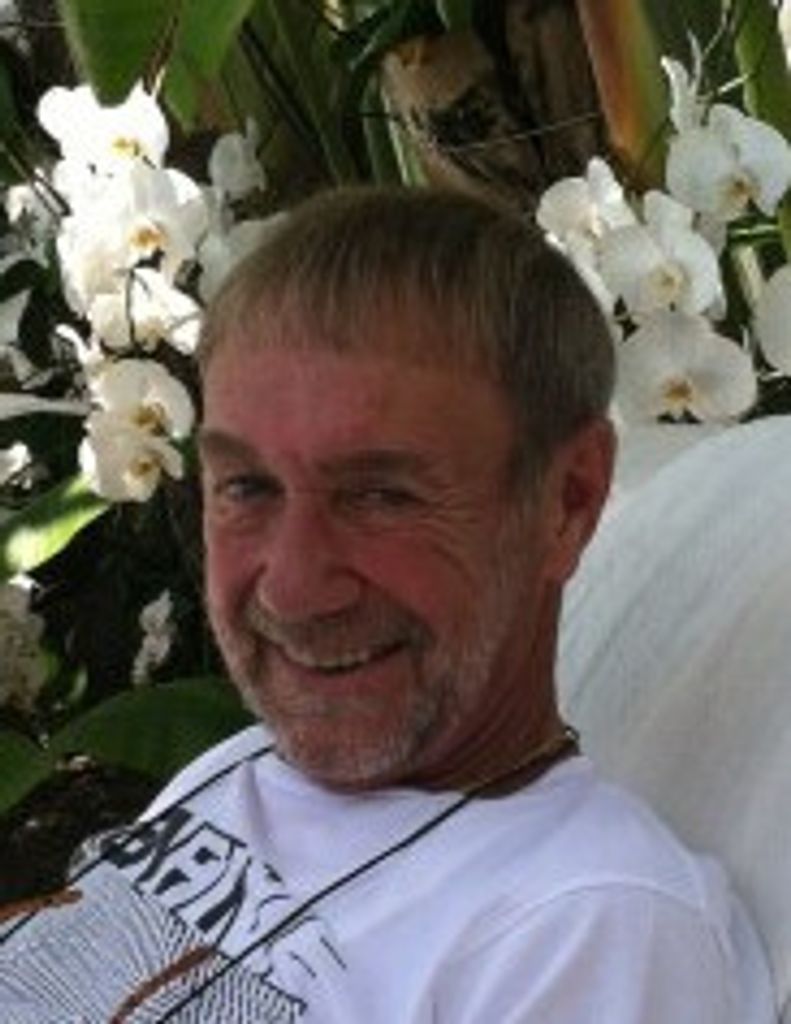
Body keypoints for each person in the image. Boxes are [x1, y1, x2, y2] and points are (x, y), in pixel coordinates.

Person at [0, 187, 777, 1022]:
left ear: (566, 501)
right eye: (247, 487)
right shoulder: (239, 773)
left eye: (380, 496)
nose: (291, 589)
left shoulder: (590, 926)